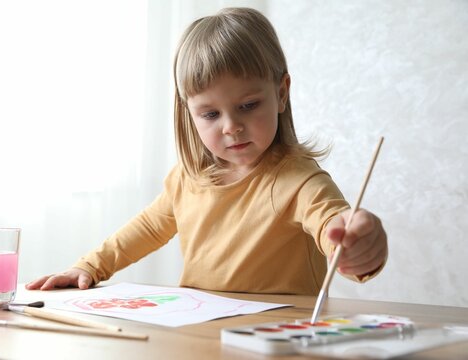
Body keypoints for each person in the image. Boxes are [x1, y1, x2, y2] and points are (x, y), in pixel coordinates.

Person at [27, 7, 387, 295]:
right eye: (211, 114)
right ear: (190, 114)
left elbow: (330, 223)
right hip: (202, 333)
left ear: (281, 93)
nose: (231, 126)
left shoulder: (298, 178)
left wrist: (354, 243)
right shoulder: (188, 179)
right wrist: (89, 266)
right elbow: (147, 228)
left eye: (248, 105)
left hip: (279, 337)